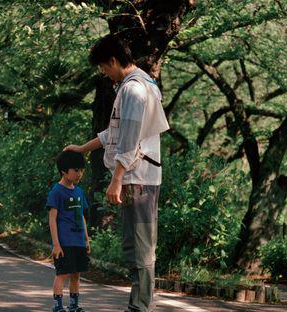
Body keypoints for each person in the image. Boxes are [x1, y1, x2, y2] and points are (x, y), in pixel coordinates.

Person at [64, 34, 169, 312]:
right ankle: (138, 305)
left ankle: (140, 307)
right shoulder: (139, 84)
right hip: (138, 178)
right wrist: (84, 148)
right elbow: (115, 131)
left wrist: (117, 179)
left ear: (113, 60)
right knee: (134, 244)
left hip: (137, 179)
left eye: (104, 68)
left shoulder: (134, 90)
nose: (104, 74)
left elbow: (130, 139)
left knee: (140, 246)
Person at [46, 150, 91, 312]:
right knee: (62, 274)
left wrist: (86, 239)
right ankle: (58, 307)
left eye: (82, 170)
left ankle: (74, 306)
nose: (80, 174)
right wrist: (56, 245)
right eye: (76, 170)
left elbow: (82, 217)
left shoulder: (79, 192)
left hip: (78, 240)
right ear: (64, 171)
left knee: (77, 274)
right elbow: (52, 219)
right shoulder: (56, 191)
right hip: (64, 241)